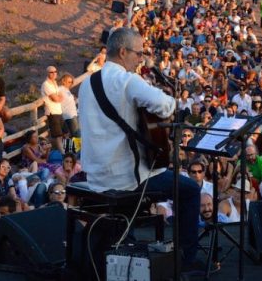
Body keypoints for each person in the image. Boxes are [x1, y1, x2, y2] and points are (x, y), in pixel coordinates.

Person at [78, 27, 201, 270]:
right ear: (123, 52)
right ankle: (186, 258)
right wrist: (164, 96)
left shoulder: (87, 83)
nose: (140, 59)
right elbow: (166, 106)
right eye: (138, 53)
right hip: (126, 177)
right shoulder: (127, 80)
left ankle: (124, 242)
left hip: (95, 175)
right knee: (189, 190)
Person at [41, 66, 65, 153]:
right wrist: (59, 97)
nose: (54, 73)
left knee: (64, 133)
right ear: (47, 73)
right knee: (57, 135)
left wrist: (59, 97)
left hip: (59, 111)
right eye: (51, 72)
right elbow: (57, 99)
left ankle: (68, 151)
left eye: (55, 71)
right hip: (52, 112)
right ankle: (63, 154)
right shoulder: (46, 84)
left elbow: (60, 97)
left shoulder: (54, 83)